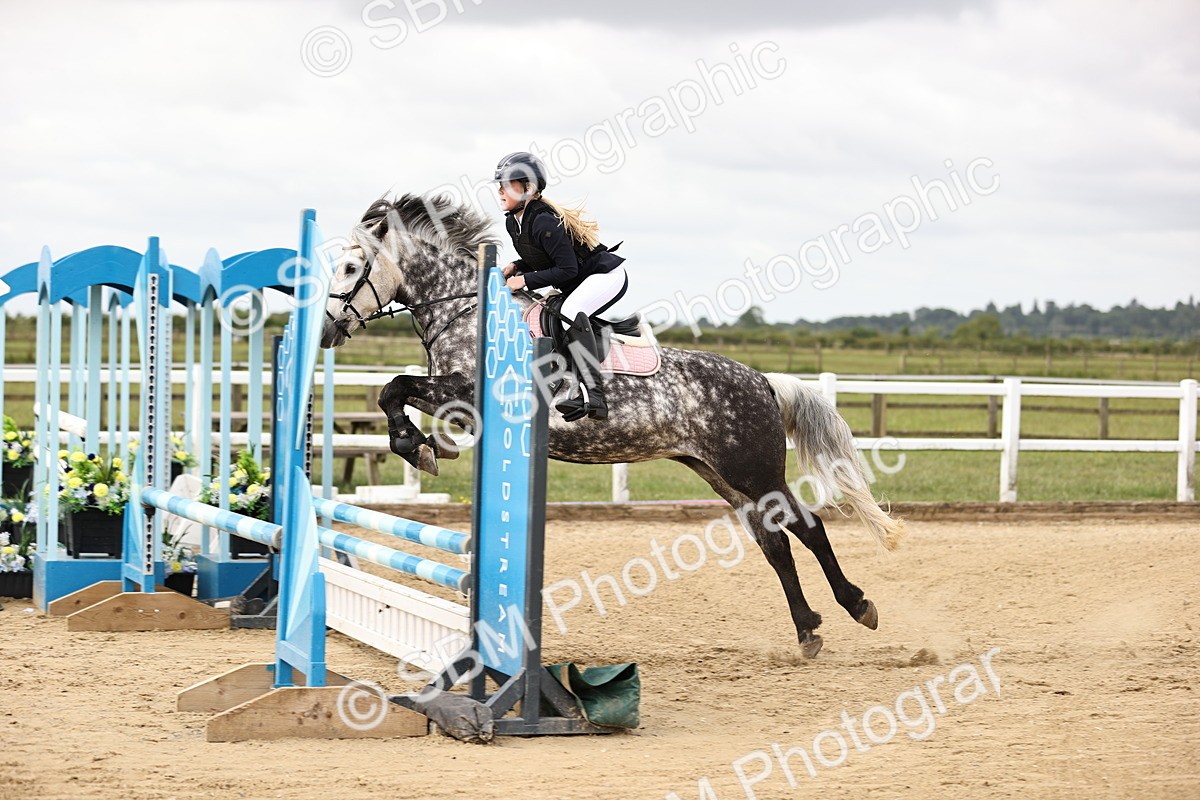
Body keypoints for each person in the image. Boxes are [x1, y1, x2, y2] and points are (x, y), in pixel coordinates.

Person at [495, 151, 627, 421]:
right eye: (499, 185)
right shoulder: (514, 222)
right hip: (582, 278)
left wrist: (525, 280)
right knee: (559, 312)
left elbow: (568, 269)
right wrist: (519, 266)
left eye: (507, 185)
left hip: (606, 276)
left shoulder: (544, 220)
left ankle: (595, 395)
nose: (500, 191)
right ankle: (573, 383)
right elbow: (544, 257)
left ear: (528, 188)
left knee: (571, 311)